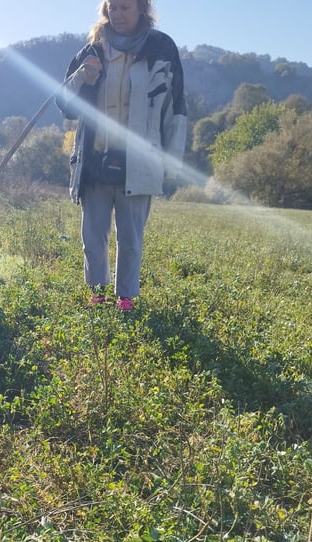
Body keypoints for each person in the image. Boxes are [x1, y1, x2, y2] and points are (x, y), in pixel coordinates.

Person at [57, 0, 187, 311]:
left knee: (130, 239)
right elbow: (65, 105)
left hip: (140, 161)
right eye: (112, 7)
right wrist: (81, 78)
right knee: (93, 237)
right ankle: (97, 293)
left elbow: (175, 109)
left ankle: (126, 298)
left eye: (125, 7)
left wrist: (172, 164)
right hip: (94, 158)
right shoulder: (91, 50)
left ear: (142, 8)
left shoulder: (162, 49)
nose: (117, 14)